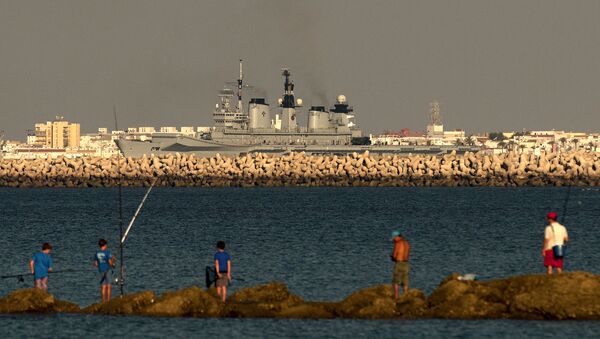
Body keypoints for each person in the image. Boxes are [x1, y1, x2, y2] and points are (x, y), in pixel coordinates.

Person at [390, 231, 411, 300]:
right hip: (406, 264)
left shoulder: (398, 243)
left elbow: (394, 255)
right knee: (405, 282)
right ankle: (406, 297)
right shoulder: (407, 243)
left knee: (396, 282)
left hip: (399, 264)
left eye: (394, 238)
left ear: (397, 237)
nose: (393, 240)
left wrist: (392, 257)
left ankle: (396, 298)